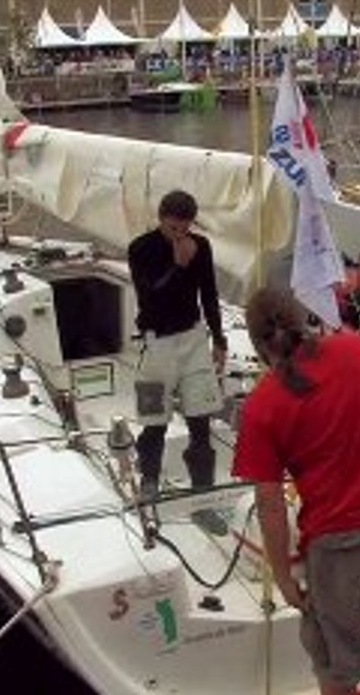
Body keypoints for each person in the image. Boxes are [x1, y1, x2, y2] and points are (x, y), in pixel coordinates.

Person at [232, 287, 360, 695]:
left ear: (257, 344)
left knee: (336, 665)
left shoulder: (262, 405)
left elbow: (270, 504)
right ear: (302, 319)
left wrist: (283, 577)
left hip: (339, 536)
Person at [127, 189, 228, 535]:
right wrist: (177, 265)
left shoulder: (201, 246)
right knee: (154, 421)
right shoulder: (141, 249)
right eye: (173, 229)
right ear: (161, 219)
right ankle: (149, 481)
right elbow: (149, 300)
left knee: (201, 421)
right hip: (156, 345)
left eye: (184, 230)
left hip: (193, 341)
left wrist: (219, 339)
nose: (179, 236)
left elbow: (209, 294)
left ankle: (203, 497)